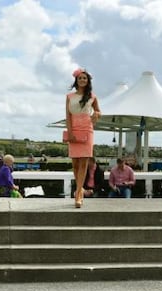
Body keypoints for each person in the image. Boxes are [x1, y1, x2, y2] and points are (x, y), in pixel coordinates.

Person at [66, 68, 101, 208]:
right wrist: (70, 132)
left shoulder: (92, 96)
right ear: (76, 80)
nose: (82, 80)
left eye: (84, 78)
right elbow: (68, 115)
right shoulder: (69, 96)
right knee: (75, 163)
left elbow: (98, 110)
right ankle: (79, 189)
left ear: (88, 81)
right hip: (73, 128)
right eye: (80, 78)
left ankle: (78, 193)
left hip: (87, 129)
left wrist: (96, 114)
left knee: (84, 162)